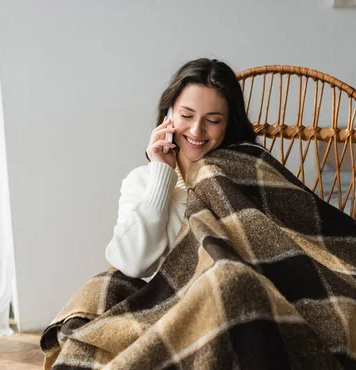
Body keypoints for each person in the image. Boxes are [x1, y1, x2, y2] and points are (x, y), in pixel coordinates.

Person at [105, 58, 258, 279]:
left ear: (229, 124)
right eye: (186, 116)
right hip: (165, 304)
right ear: (168, 115)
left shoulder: (247, 174)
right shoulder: (141, 181)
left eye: (213, 120)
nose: (196, 131)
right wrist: (161, 177)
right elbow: (133, 265)